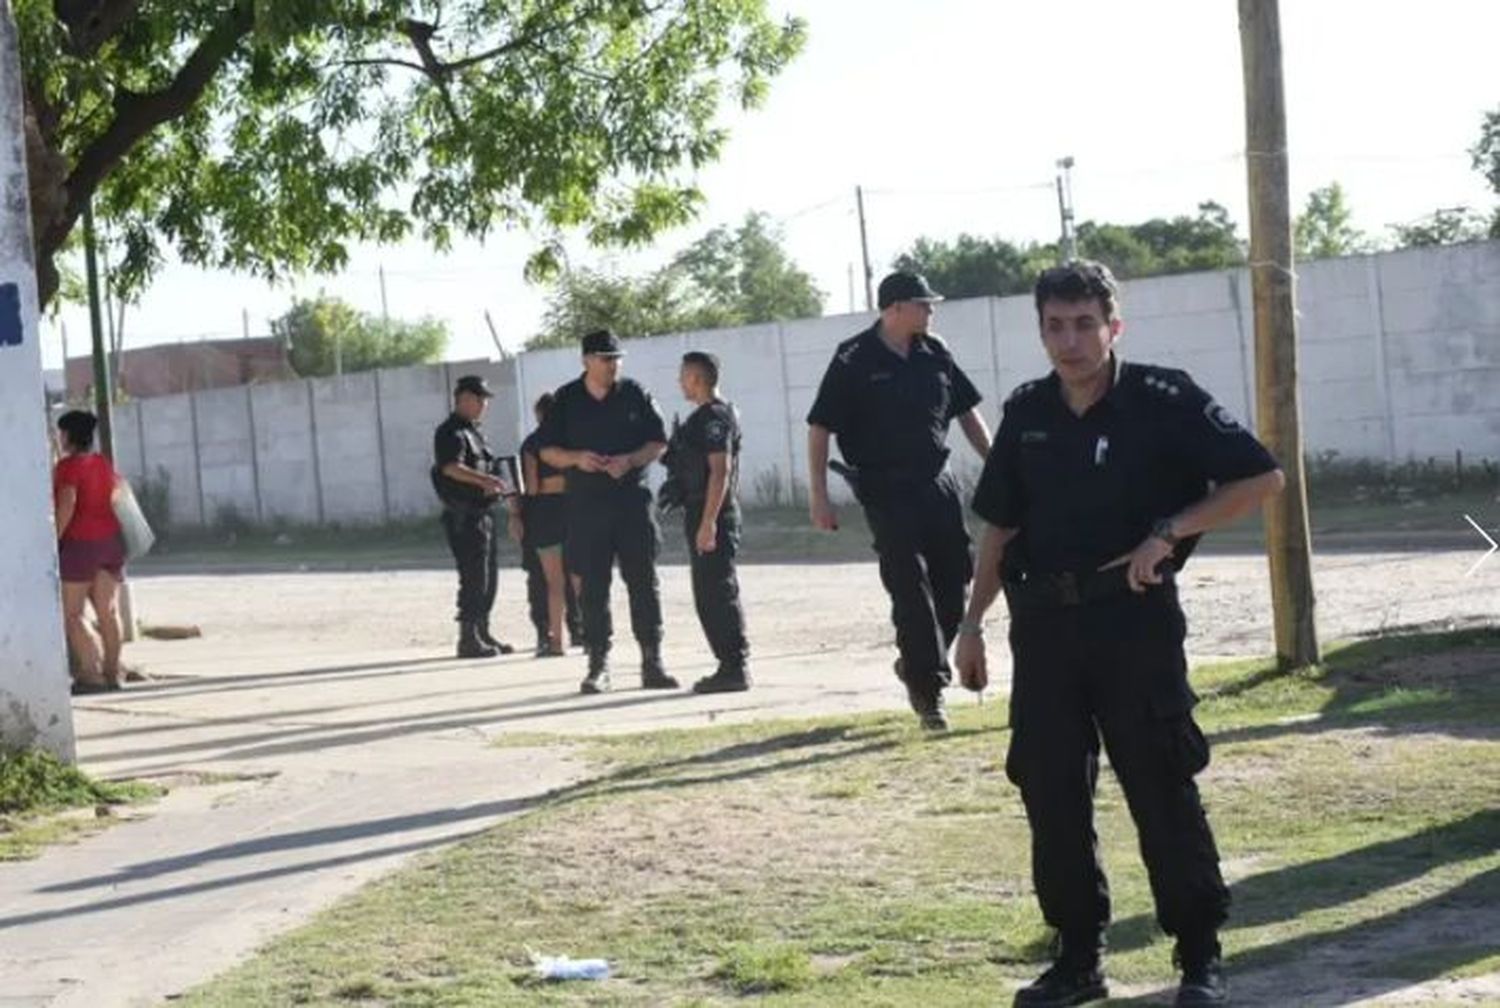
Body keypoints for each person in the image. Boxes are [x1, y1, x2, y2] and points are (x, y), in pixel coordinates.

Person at [954, 260, 1285, 1008]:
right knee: (1051, 792)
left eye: (1083, 324)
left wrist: (1168, 531)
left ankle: (1200, 958)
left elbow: (1260, 479)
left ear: (1113, 326)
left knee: (1160, 784)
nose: (1069, 341)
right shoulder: (1028, 410)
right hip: (1044, 631)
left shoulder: (1162, 399)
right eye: (1054, 326)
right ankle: (1078, 960)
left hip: (1132, 624)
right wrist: (972, 623)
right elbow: (999, 528)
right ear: (1040, 329)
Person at [805, 271, 991, 730]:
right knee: (909, 589)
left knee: (956, 583)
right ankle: (929, 693)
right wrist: (818, 496)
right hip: (884, 488)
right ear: (894, 309)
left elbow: (968, 415)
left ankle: (915, 665)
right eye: (923, 304)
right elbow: (820, 428)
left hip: (937, 483)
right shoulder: (853, 358)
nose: (932, 311)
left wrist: (999, 465)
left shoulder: (936, 352)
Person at [537, 329, 676, 694]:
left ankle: (652, 661)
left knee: (643, 581)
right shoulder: (566, 400)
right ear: (586, 360)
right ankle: (598, 664)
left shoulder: (635, 393)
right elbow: (546, 451)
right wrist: (577, 459)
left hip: (632, 502)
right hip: (587, 505)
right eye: (604, 358)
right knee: (593, 587)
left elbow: (658, 442)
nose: (612, 365)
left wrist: (630, 460)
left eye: (616, 358)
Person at [668, 351, 751, 693]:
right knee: (707, 594)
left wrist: (709, 522)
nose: (680, 382)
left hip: (713, 514)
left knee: (718, 592)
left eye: (683, 376)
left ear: (697, 379)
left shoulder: (715, 417)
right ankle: (727, 664)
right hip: (700, 511)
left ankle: (734, 667)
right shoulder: (700, 418)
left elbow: (720, 471)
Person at [431, 374, 518, 659]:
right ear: (464, 399)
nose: (484, 405)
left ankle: (482, 630)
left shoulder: (474, 433)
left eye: (485, 400)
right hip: (463, 515)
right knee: (472, 577)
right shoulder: (451, 432)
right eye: (480, 399)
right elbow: (450, 468)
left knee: (487, 577)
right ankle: (467, 638)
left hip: (482, 513)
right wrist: (484, 481)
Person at [52, 410, 129, 695]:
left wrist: (54, 540)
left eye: (61, 433)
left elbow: (68, 503)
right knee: (108, 612)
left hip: (79, 546)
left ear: (69, 436)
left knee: (72, 615)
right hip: (110, 544)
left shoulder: (67, 467)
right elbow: (118, 496)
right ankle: (113, 673)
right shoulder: (102, 463)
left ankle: (90, 673)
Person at [519, 392, 582, 657]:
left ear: (538, 414)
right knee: (579, 577)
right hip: (575, 511)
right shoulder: (573, 440)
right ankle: (590, 634)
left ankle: (556, 641)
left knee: (553, 582)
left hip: (545, 514)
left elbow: (531, 487)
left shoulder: (532, 444)